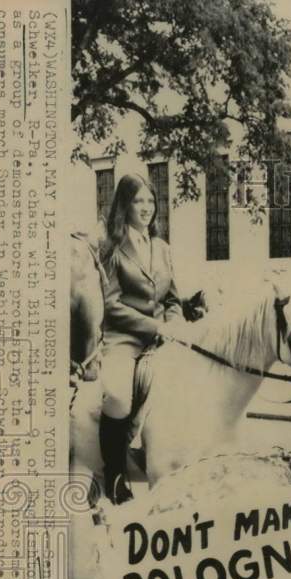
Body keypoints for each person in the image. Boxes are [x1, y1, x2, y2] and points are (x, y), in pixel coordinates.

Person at [98, 173, 187, 505]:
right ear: (125, 204)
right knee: (119, 396)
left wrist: (174, 325)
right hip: (124, 339)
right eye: (138, 201)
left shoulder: (162, 248)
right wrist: (155, 327)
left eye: (151, 200)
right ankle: (116, 477)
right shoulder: (111, 247)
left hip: (164, 338)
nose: (146, 207)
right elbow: (110, 305)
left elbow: (173, 300)